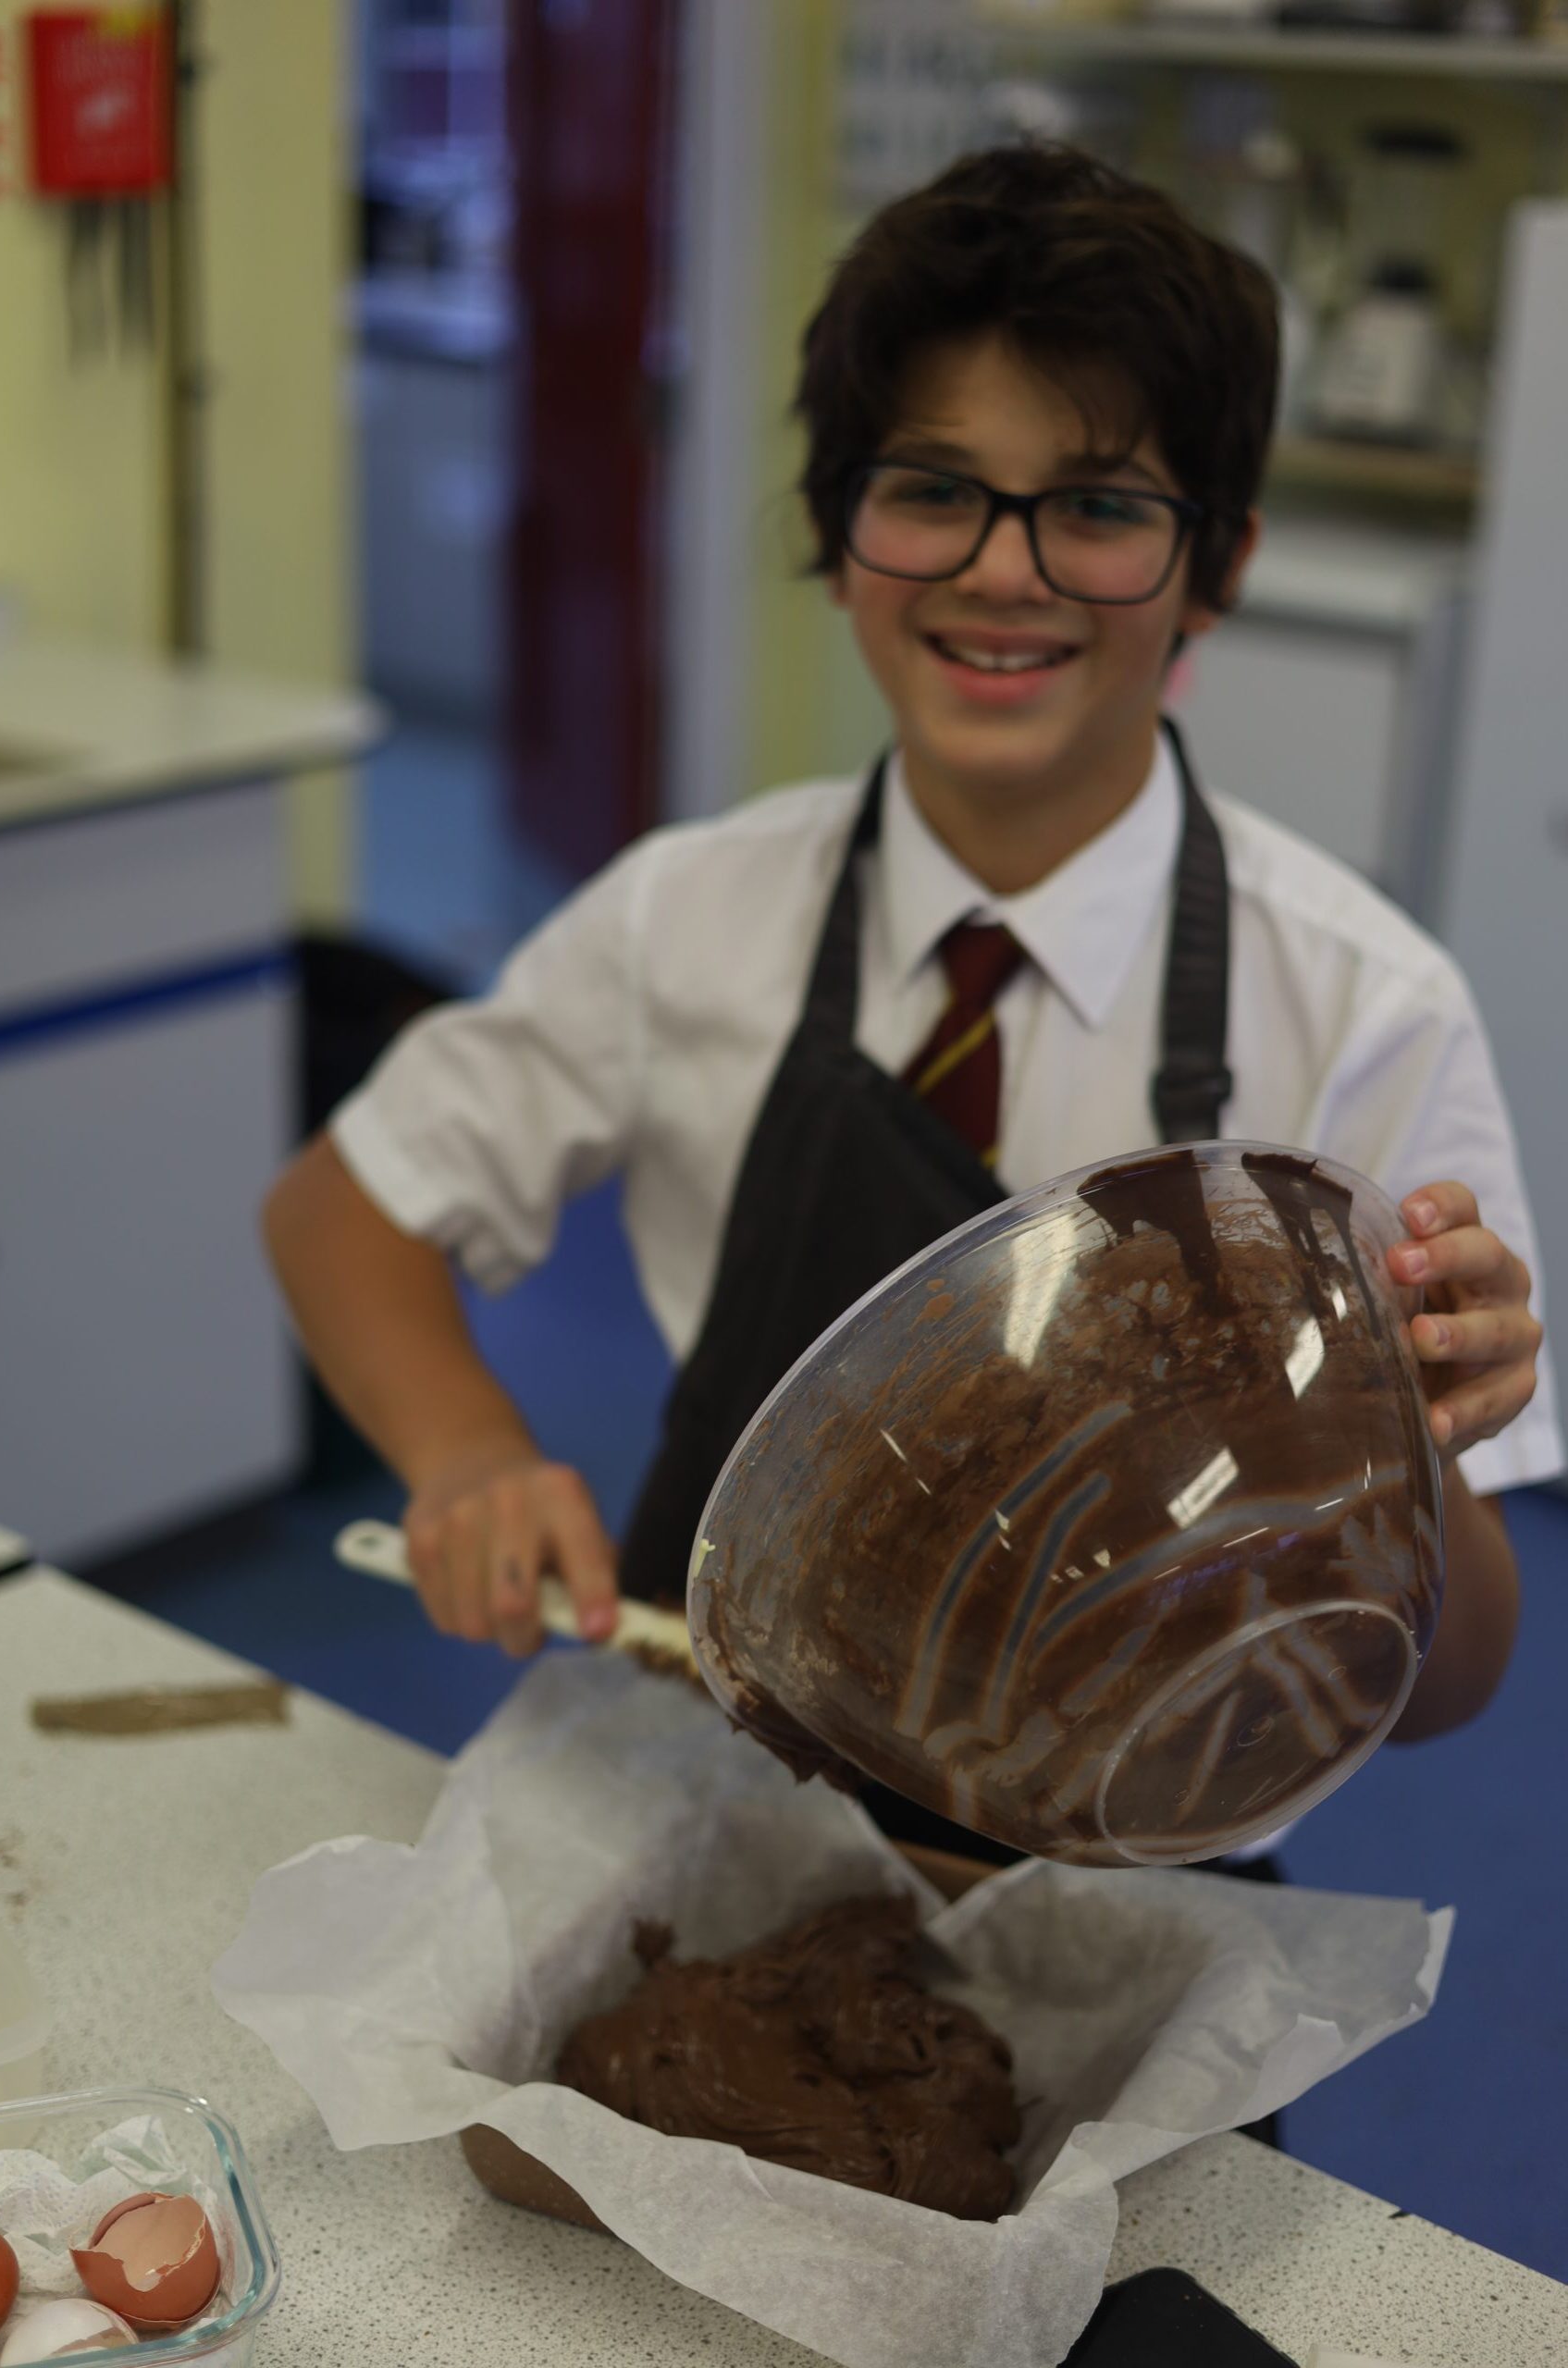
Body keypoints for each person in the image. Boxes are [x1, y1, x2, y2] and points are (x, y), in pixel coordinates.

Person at [265, 144, 1560, 1820]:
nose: (1001, 568)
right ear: (836, 530)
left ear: (1217, 568)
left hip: (1121, 1875)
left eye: (1098, 506)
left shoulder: (1363, 1009)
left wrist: (1423, 1452)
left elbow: (1456, 1688)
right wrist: (469, 1455)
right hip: (704, 1792)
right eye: (933, 489)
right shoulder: (688, 919)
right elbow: (334, 1208)